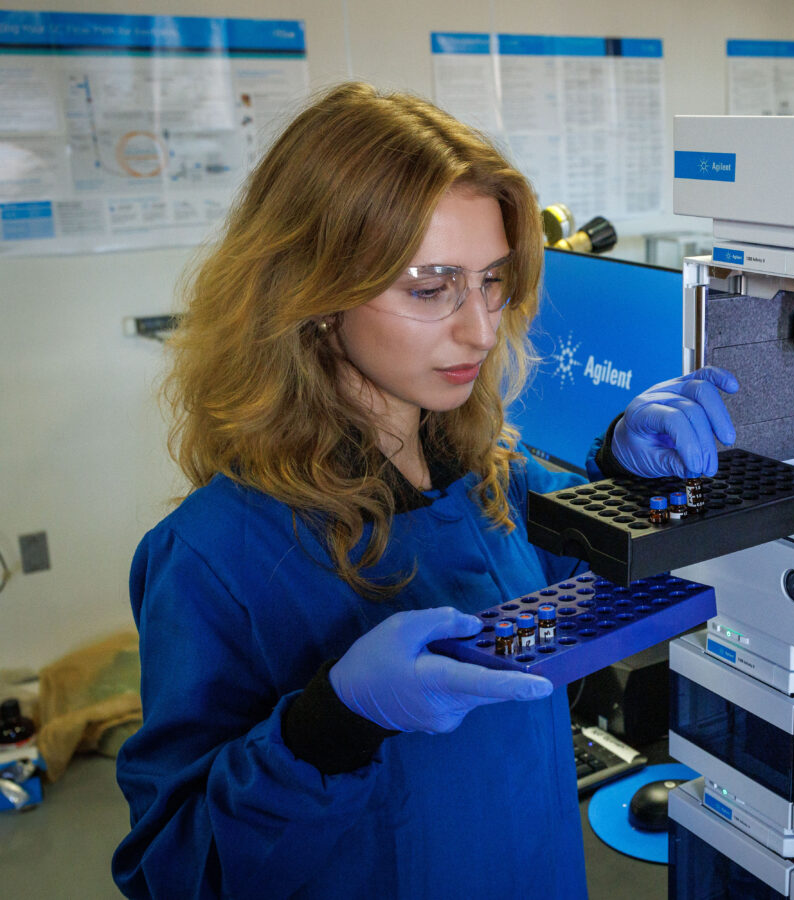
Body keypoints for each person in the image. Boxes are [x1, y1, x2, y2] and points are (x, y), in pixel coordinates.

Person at [112, 82, 738, 900]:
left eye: (492, 280)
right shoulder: (210, 559)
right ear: (317, 291)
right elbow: (174, 871)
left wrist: (624, 466)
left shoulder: (487, 475)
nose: (481, 329)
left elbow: (584, 570)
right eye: (429, 287)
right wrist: (329, 726)